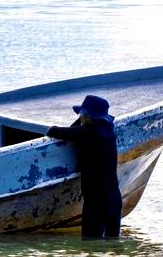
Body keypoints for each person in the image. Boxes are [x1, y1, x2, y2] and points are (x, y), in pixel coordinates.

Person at [47, 95, 123, 239]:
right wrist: (84, 117)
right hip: (114, 199)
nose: (80, 117)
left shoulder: (88, 133)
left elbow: (54, 131)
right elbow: (77, 129)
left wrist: (82, 119)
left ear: (88, 116)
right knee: (113, 243)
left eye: (81, 114)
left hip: (96, 203)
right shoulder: (108, 129)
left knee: (90, 244)